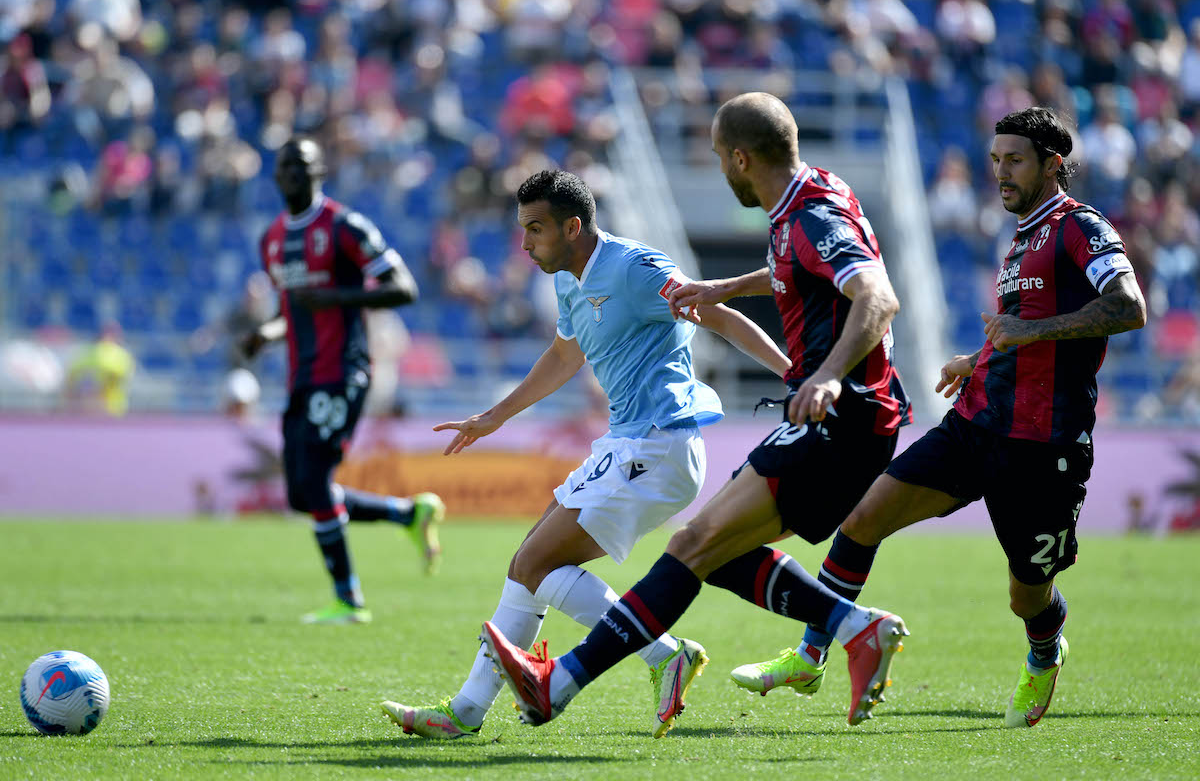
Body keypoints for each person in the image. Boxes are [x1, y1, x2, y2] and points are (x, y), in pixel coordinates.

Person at [479, 92, 913, 731]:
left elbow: (877, 295)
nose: (717, 169)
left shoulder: (808, 216)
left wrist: (821, 375)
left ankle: (564, 680)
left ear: (741, 157)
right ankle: (854, 627)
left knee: (687, 545)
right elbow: (793, 269)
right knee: (710, 549)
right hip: (846, 416)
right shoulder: (813, 198)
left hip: (838, 415)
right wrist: (730, 284)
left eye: (717, 156)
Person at [735, 106, 1148, 728]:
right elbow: (1018, 335)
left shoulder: (1079, 228)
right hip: (976, 422)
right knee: (863, 517)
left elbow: (1129, 306)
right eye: (995, 161)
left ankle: (1043, 650)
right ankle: (813, 653)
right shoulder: (1021, 237)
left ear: (1052, 164)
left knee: (1025, 593)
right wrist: (975, 358)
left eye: (1014, 161)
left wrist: (1028, 330)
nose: (1000, 173)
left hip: (1042, 444)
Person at [381, 169, 792, 740]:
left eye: (536, 230)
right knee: (526, 565)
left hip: (660, 442)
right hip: (629, 443)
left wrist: (795, 375)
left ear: (574, 227)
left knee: (534, 564)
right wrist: (493, 417)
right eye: (522, 229)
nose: (525, 244)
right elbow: (563, 355)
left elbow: (717, 313)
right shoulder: (568, 279)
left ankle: (665, 655)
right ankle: (466, 712)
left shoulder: (633, 268)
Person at [241, 136, 444, 625]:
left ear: (320, 171)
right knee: (300, 494)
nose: (294, 174)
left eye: (304, 166)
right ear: (276, 177)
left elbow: (403, 288)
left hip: (343, 372)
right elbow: (287, 309)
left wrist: (334, 297)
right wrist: (265, 334)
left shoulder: (345, 226)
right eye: (286, 166)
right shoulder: (271, 240)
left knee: (313, 481)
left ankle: (348, 600)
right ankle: (408, 515)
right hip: (301, 375)